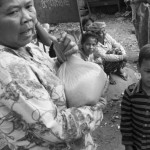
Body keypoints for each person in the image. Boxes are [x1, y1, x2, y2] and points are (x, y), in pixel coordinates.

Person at [0, 0, 106, 150]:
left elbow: (46, 79)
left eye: (29, 6)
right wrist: (96, 108)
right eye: (13, 12)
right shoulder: (7, 68)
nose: (27, 17)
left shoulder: (27, 46)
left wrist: (64, 60)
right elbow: (56, 129)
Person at [120, 44, 150, 150]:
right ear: (138, 67)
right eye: (148, 71)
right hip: (137, 146)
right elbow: (126, 123)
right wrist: (128, 145)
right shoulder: (130, 94)